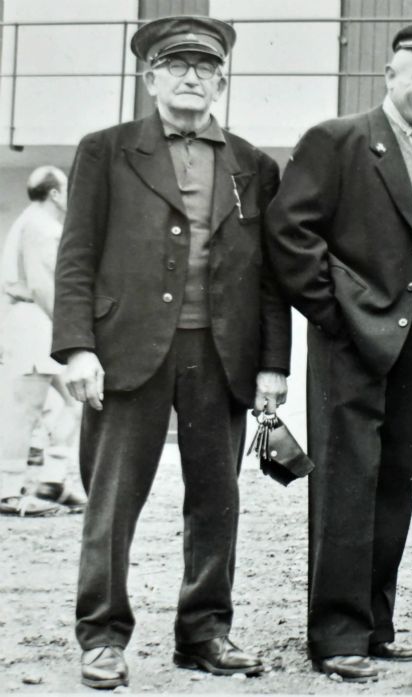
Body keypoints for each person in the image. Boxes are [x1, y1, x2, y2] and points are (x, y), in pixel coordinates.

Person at [51, 15, 290, 689]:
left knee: (217, 499)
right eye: (177, 64)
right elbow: (76, 256)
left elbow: (270, 276)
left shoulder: (253, 163)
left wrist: (274, 364)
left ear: (222, 78)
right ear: (149, 76)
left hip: (224, 355)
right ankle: (102, 636)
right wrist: (76, 347)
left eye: (206, 67)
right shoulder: (105, 150)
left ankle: (205, 631)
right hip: (125, 350)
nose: (192, 76)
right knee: (112, 500)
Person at [264, 24, 412, 682]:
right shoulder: (340, 139)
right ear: (390, 76)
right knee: (347, 488)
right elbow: (289, 235)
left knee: (394, 486)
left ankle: (376, 625)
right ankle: (336, 636)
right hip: (354, 343)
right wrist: (340, 316)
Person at [0, 166, 85, 516]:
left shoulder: (38, 222)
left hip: (40, 318)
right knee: (24, 408)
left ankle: (53, 480)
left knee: (77, 403)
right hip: (34, 319)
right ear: (54, 193)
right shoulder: (38, 225)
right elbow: (39, 284)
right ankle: (7, 489)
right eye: (67, 190)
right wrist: (70, 328)